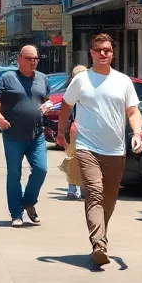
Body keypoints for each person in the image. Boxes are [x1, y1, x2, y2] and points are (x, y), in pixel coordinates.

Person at [57, 34, 142, 267]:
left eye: (107, 50)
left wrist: (136, 134)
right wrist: (61, 131)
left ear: (112, 53)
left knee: (110, 200)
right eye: (98, 50)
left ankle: (100, 237)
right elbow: (66, 105)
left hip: (115, 150)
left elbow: (133, 112)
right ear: (91, 53)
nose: (103, 53)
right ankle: (98, 244)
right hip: (87, 147)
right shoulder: (82, 80)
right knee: (94, 192)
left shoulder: (123, 81)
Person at [0, 44, 51, 226]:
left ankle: (29, 202)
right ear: (19, 59)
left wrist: (48, 105)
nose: (34, 62)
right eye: (30, 59)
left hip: (36, 135)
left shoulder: (42, 79)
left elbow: (46, 99)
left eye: (36, 59)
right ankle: (16, 214)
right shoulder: (8, 78)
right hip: (13, 135)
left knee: (41, 169)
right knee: (14, 174)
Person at [63, 64, 88, 199]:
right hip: (76, 129)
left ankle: (80, 188)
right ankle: (73, 188)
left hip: (85, 130)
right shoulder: (73, 91)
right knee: (74, 159)